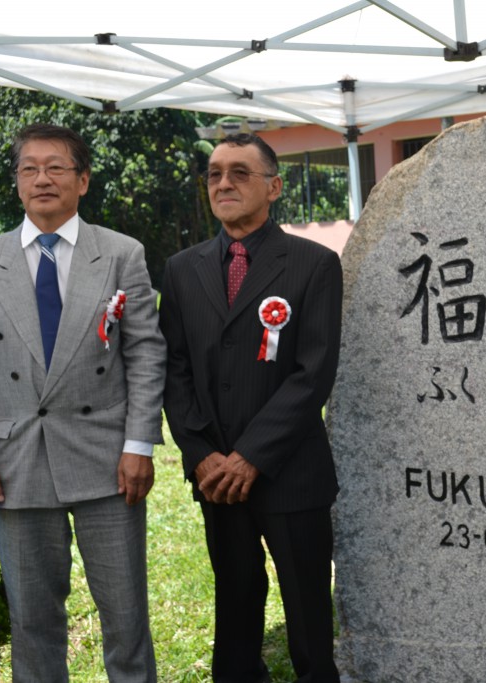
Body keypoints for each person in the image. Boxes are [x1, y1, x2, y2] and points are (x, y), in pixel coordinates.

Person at [0, 123, 164, 681]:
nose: (42, 178)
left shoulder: (121, 254)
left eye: (57, 167)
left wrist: (139, 443)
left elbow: (145, 355)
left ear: (83, 180)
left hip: (108, 459)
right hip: (16, 463)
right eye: (30, 168)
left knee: (126, 617)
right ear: (17, 183)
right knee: (33, 620)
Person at [159, 133, 342, 683]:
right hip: (216, 477)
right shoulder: (182, 269)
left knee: (308, 613)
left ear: (274, 187)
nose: (223, 183)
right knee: (236, 609)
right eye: (215, 174)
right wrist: (200, 455)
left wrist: (252, 456)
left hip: (291, 472)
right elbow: (175, 368)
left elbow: (314, 373)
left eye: (240, 172)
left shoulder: (313, 265)